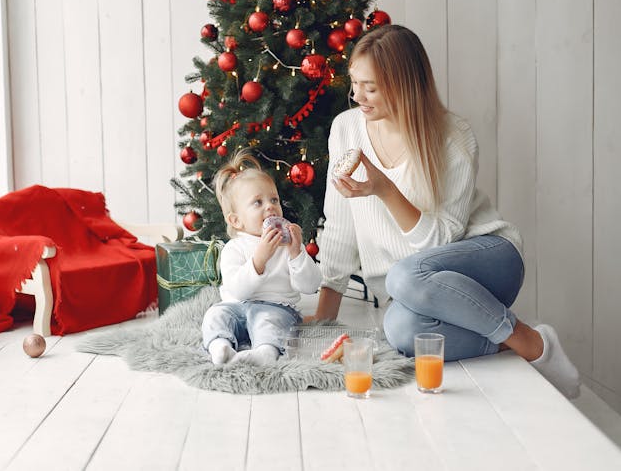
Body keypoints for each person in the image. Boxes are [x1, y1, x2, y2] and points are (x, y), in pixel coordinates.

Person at [311, 24, 581, 398]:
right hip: (417, 288)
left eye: (370, 87)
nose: (357, 96)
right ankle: (507, 342)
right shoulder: (345, 129)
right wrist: (324, 314)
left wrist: (385, 190)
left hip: (487, 260)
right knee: (402, 333)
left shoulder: (453, 137)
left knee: (404, 276)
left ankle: (532, 343)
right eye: (354, 83)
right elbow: (339, 224)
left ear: (403, 85)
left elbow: (439, 242)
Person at [201, 149, 322, 366]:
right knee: (214, 316)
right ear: (236, 220)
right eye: (258, 202)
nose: (270, 207)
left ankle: (265, 352)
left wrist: (297, 253)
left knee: (269, 322)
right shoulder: (234, 248)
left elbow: (311, 285)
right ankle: (220, 347)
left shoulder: (287, 245)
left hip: (276, 307)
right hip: (236, 306)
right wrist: (259, 259)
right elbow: (238, 290)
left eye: (274, 199)